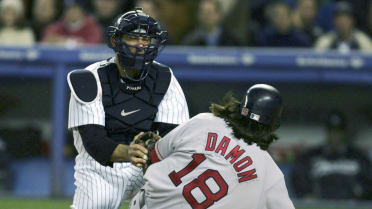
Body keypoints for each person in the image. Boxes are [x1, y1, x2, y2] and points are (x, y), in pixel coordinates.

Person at [67, 8, 189, 209]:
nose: (142, 44)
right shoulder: (91, 77)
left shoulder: (164, 77)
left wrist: (156, 150)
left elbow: (174, 136)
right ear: (116, 41)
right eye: (134, 38)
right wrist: (129, 152)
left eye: (147, 39)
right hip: (99, 170)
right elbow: (94, 141)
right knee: (98, 202)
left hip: (147, 168)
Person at [129, 84, 295, 209]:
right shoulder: (269, 172)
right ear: (273, 125)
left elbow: (154, 156)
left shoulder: (204, 121)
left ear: (240, 107)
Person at [291, 110, 372, 200]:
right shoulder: (311, 157)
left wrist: (362, 195)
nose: (335, 135)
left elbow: (368, 185)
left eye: (338, 131)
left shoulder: (359, 157)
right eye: (332, 131)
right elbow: (300, 184)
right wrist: (307, 196)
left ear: (345, 132)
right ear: (327, 132)